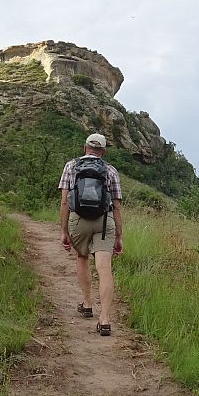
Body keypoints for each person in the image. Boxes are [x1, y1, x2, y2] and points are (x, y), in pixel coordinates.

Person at [59, 132, 124, 336]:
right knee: (104, 268)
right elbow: (116, 206)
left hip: (78, 220)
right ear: (103, 151)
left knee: (82, 257)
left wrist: (64, 231)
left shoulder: (71, 166)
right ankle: (104, 319)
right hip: (104, 222)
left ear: (84, 147)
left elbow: (64, 202)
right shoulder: (110, 171)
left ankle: (87, 304)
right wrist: (119, 236)